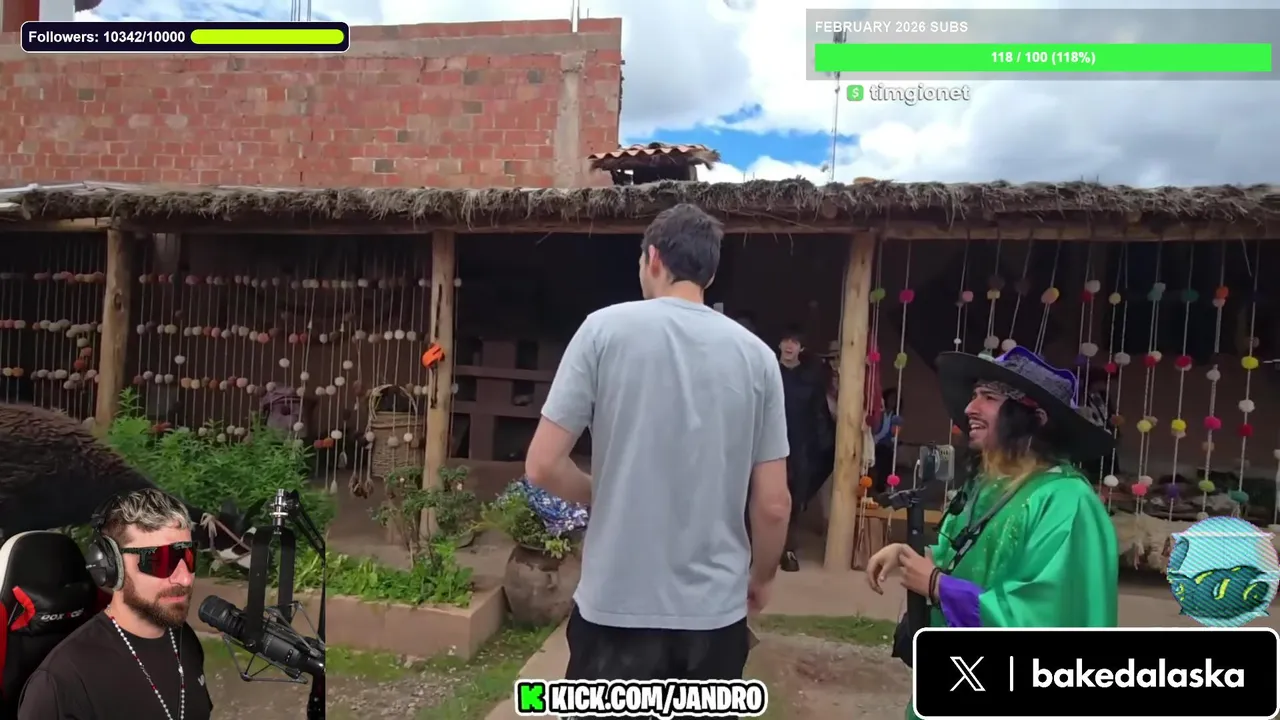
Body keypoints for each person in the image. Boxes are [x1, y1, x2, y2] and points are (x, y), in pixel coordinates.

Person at [525, 203, 791, 684]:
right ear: (709, 273)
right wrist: (762, 577)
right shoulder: (758, 358)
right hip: (713, 617)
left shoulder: (601, 331)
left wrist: (600, 493)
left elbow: (542, 465)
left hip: (614, 607)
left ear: (652, 259)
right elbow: (774, 505)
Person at [865, 346, 1117, 720]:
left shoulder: (1067, 501)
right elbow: (966, 559)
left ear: (1034, 418)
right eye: (974, 395)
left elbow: (1045, 617)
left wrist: (938, 586)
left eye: (989, 397)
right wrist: (911, 555)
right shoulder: (988, 486)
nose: (970, 408)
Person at [19, 488, 214, 720]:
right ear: (111, 567)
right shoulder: (61, 683)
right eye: (160, 560)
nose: (185, 579)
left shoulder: (184, 638)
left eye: (188, 557)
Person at [776, 327, 830, 571]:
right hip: (766, 445)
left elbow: (820, 415)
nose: (790, 346)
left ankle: (787, 549)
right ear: (779, 344)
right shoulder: (767, 372)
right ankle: (759, 549)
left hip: (799, 448)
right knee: (760, 496)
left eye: (795, 342)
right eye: (786, 340)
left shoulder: (810, 380)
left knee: (793, 501)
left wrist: (820, 447)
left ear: (801, 348)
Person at [871, 388, 902, 492]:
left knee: (889, 458)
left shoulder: (895, 417)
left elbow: (894, 435)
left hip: (886, 445)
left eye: (895, 399)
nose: (892, 401)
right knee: (883, 456)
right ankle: (881, 484)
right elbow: (876, 429)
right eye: (891, 398)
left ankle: (885, 485)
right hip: (875, 442)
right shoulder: (880, 413)